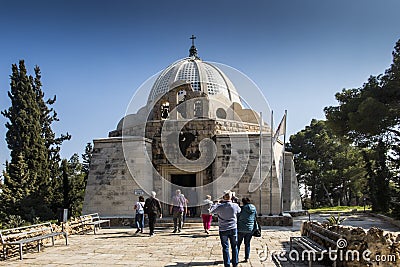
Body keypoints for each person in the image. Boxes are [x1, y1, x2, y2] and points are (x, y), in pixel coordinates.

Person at [210, 190, 241, 267]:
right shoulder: (235, 206)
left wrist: (216, 203)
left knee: (225, 247)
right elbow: (239, 211)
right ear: (231, 197)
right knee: (234, 246)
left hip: (223, 229)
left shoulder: (220, 207)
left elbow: (211, 211)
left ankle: (227, 264)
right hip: (233, 228)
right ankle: (235, 262)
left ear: (223, 197)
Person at [237, 197, 257, 263]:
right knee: (247, 243)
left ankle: (236, 257)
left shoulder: (242, 208)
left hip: (241, 228)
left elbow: (237, 216)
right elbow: (255, 216)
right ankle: (247, 257)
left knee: (238, 244)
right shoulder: (253, 207)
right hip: (250, 228)